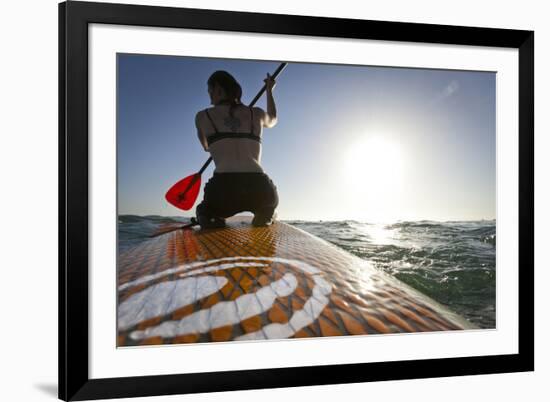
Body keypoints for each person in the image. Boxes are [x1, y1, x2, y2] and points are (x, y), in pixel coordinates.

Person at [194, 70, 279, 229]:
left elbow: (206, 147)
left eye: (210, 92)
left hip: (223, 191)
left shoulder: (202, 117)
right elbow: (273, 118)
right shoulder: (257, 113)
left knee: (205, 209)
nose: (210, 97)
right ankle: (265, 214)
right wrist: (269, 91)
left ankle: (209, 216)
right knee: (268, 205)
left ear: (218, 89)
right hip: (260, 188)